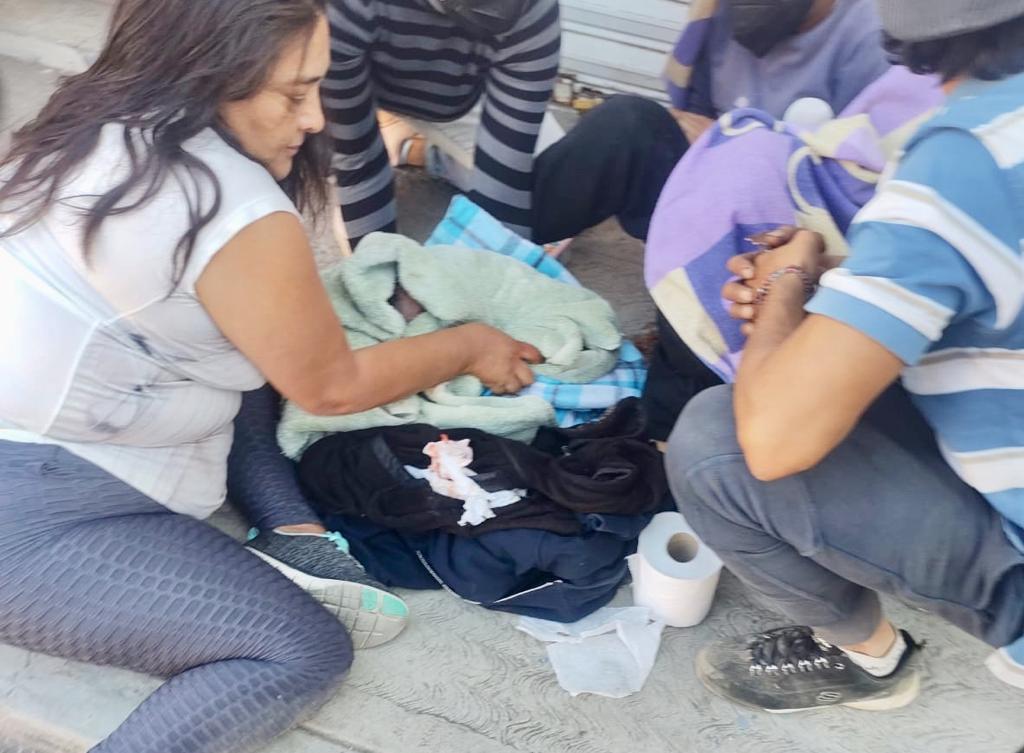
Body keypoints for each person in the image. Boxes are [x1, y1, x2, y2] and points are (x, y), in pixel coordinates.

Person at [0, 0, 542, 750]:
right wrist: (468, 344)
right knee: (298, 650)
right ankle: (288, 531)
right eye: (294, 94)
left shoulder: (91, 115)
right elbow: (332, 385)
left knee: (264, 353)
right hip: (33, 516)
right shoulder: (224, 202)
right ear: (210, 76)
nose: (316, 118)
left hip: (55, 436)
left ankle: (289, 527)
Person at [666, 0, 1024, 713]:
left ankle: (866, 656)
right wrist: (845, 283)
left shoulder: (968, 155)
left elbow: (772, 440)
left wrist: (788, 285)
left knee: (715, 444)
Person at [530, 0, 891, 246]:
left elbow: (855, 192)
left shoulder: (871, 40)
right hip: (716, 187)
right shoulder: (723, 14)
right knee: (628, 123)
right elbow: (694, 117)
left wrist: (733, 144)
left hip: (797, 231)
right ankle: (502, 239)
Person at [324, 0, 560, 243]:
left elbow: (505, 191)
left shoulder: (533, 10)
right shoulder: (343, 9)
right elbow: (359, 163)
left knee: (553, 200)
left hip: (457, 99)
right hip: (364, 87)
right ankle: (381, 127)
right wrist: (380, 267)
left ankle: (422, 151)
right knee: (362, 239)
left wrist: (498, 270)